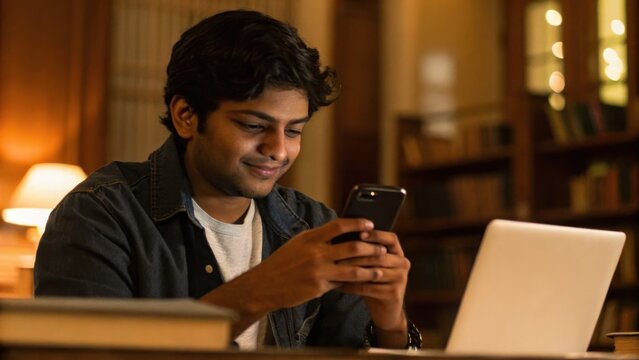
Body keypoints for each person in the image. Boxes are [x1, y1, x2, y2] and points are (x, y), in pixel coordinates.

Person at [34, 9, 421, 350]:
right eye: (254, 125)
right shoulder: (99, 215)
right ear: (186, 115)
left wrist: (390, 324)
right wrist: (259, 290)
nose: (278, 150)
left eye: (294, 131)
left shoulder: (314, 225)